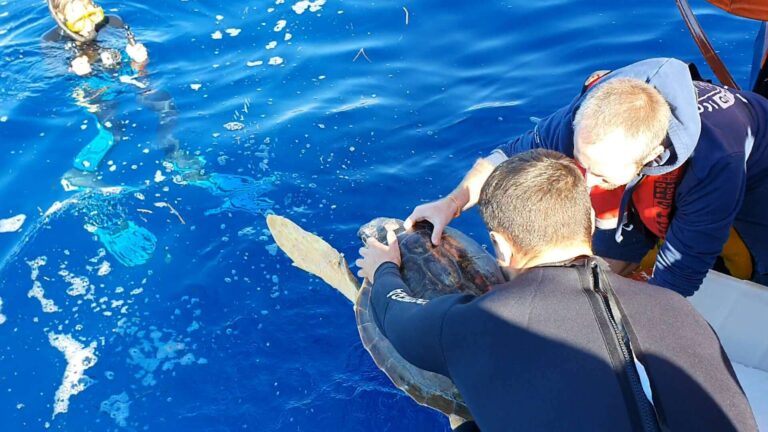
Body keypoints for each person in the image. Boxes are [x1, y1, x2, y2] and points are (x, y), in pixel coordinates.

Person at [357, 149, 757, 432]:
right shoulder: (676, 308)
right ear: (590, 223)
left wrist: (383, 268)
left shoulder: (477, 325)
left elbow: (395, 316)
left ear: (501, 246)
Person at [406, 57, 768, 296]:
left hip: (756, 182)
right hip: (646, 172)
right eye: (583, 164)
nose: (587, 185)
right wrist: (450, 204)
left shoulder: (716, 163)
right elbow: (504, 157)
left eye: (601, 175)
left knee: (750, 269)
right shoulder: (591, 115)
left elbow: (679, 278)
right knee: (602, 270)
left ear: (650, 158)